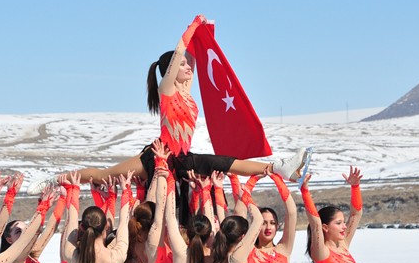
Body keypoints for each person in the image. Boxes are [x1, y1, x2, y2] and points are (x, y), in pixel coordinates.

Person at [28, 20, 309, 194]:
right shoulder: (167, 91)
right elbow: (178, 55)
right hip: (159, 155)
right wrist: (190, 30)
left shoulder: (188, 95)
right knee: (104, 175)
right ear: (170, 70)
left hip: (182, 158)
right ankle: (55, 180)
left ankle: (278, 167)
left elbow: (198, 58)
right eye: (183, 64)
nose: (188, 67)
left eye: (189, 63)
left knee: (222, 162)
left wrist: (207, 34)